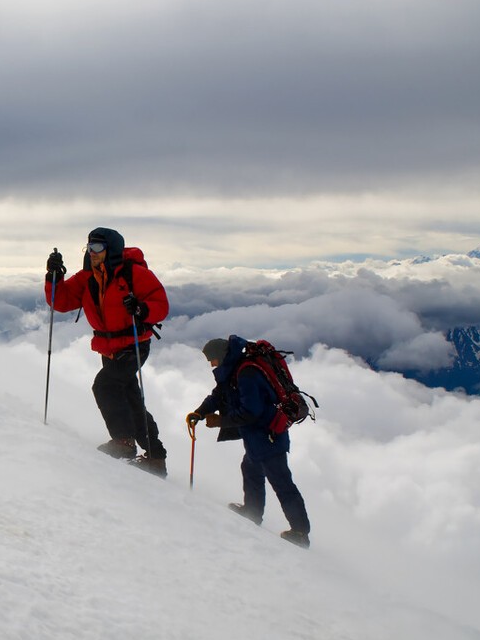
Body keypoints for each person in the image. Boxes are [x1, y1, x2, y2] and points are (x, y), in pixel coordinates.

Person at [45, 227, 170, 476]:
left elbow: (161, 304)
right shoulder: (87, 277)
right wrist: (53, 277)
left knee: (105, 386)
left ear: (110, 249)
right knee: (130, 398)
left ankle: (123, 442)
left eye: (98, 248)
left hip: (134, 343)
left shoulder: (135, 274)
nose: (92, 253)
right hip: (108, 347)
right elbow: (61, 302)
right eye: (89, 248)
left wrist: (142, 309)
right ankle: (155, 457)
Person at [189, 335, 311, 548]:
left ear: (222, 356)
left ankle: (300, 533)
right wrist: (200, 413)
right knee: (251, 469)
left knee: (282, 483)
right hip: (258, 438)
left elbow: (250, 412)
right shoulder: (234, 371)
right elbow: (219, 395)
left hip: (268, 436)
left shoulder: (246, 374)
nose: (211, 364)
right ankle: (252, 512)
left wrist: (220, 421)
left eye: (213, 360)